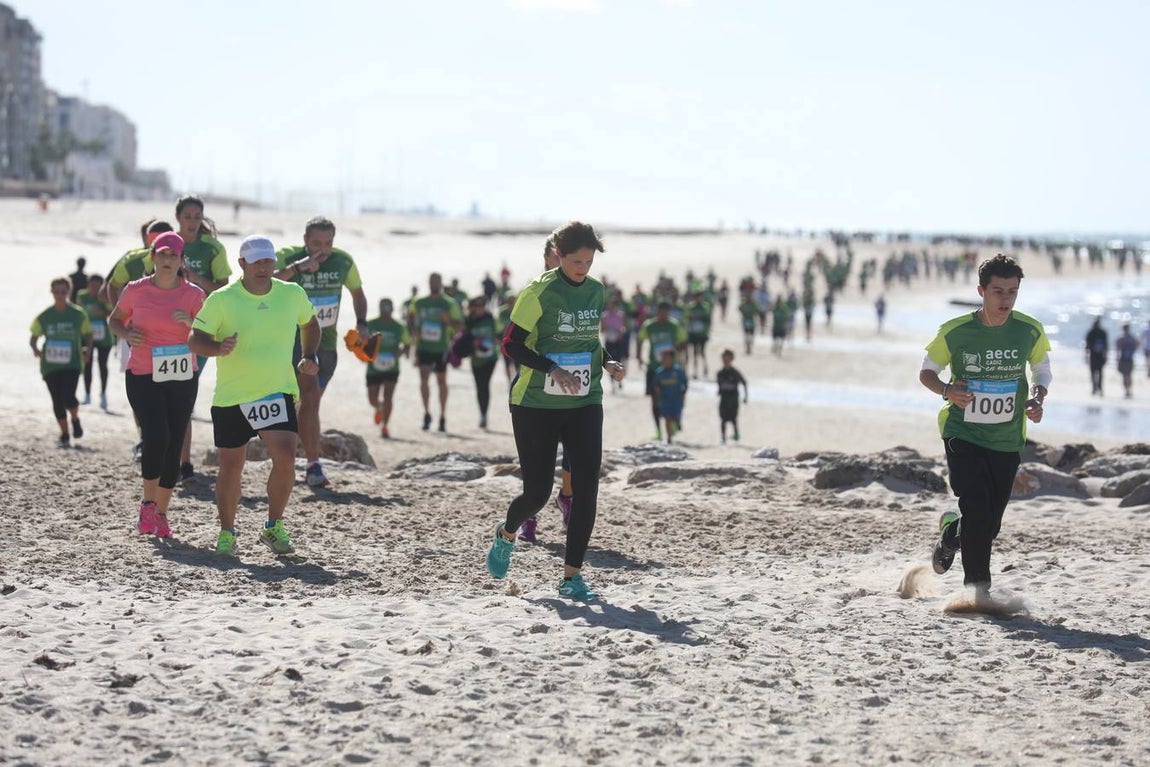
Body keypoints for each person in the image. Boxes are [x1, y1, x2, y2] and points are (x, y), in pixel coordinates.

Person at [485, 221, 626, 599]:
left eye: (589, 260)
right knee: (537, 493)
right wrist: (551, 368)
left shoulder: (595, 291)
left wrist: (609, 362)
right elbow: (511, 344)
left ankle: (572, 577)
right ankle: (506, 533)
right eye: (576, 261)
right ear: (558, 256)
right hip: (536, 404)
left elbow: (589, 340)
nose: (584, 268)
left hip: (584, 400)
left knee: (587, 489)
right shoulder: (539, 292)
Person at [919, 254, 1051, 599]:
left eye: (1012, 292)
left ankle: (951, 534)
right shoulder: (957, 331)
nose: (1005, 300)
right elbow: (927, 371)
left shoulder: (1028, 330)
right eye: (998, 292)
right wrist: (947, 390)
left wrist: (1038, 397)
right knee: (976, 506)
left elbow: (1041, 369)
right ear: (981, 290)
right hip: (963, 431)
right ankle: (978, 591)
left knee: (989, 525)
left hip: (1007, 437)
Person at [189, 235, 320, 557]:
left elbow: (310, 323)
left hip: (274, 391)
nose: (264, 267)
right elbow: (195, 339)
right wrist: (218, 348)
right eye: (257, 261)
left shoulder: (291, 294)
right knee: (232, 466)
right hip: (233, 395)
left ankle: (273, 526)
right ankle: (227, 533)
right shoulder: (222, 299)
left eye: (268, 261)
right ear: (242, 264)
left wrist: (310, 355)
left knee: (287, 457)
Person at [108, 232, 205, 539]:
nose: (167, 260)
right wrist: (126, 333)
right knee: (156, 435)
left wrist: (191, 324)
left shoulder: (193, 295)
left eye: (173, 256)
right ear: (152, 257)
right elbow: (114, 319)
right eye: (162, 254)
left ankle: (161, 514)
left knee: (175, 443)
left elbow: (208, 334)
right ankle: (148, 504)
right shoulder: (136, 290)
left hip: (182, 376)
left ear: (181, 261)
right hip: (143, 374)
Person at [273, 216, 368, 488]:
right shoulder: (288, 257)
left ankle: (292, 455)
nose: (322, 250)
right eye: (316, 243)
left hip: (327, 344)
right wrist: (298, 268)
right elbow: (266, 283)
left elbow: (358, 294)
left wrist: (361, 323)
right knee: (310, 399)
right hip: (291, 343)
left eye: (328, 243)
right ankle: (312, 466)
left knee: (305, 405)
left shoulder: (342, 261)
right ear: (305, 240)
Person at [174, 195, 231, 482]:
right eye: (188, 216)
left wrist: (194, 276)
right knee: (166, 391)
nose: (193, 221)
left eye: (197, 216)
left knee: (184, 389)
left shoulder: (212, 248)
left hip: (202, 329)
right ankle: (166, 454)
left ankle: (183, 463)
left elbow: (223, 290)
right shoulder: (167, 243)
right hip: (168, 327)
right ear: (178, 217)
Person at [31, 277, 92, 446]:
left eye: (63, 291)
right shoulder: (45, 316)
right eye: (56, 291)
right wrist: (35, 349)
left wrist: (88, 352)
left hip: (72, 363)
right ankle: (65, 434)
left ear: (68, 292)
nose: (60, 295)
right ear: (51, 292)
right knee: (57, 400)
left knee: (68, 395)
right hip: (50, 365)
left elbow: (88, 334)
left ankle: (75, 418)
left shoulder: (78, 314)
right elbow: (34, 337)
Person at [408, 272, 463, 432]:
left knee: (441, 382)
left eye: (437, 281)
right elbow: (410, 317)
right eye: (432, 281)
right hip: (423, 347)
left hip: (441, 348)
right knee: (424, 379)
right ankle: (426, 413)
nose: (434, 283)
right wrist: (413, 332)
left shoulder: (449, 303)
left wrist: (448, 321)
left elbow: (459, 327)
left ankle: (443, 416)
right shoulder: (419, 302)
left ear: (441, 283)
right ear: (428, 282)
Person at [636, 301, 687, 441]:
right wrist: (639, 355)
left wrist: (675, 352)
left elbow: (684, 342)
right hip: (654, 367)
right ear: (657, 312)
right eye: (660, 313)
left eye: (666, 313)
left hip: (672, 368)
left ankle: (674, 421)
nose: (663, 316)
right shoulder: (649, 325)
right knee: (655, 400)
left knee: (674, 397)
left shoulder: (674, 325)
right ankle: (658, 429)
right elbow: (640, 338)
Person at [364, 298, 410, 438]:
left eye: (388, 308)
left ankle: (385, 426)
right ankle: (378, 407)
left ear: (392, 309)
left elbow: (407, 344)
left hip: (392, 367)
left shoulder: (398, 327)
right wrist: (364, 354)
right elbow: (360, 343)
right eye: (383, 307)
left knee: (388, 396)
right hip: (373, 366)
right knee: (372, 398)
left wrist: (399, 353)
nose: (385, 311)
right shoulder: (371, 324)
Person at [77, 274, 113, 409]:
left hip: (103, 337)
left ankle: (103, 394)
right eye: (92, 285)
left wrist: (102, 311)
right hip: (87, 335)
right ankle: (87, 394)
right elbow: (79, 312)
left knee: (102, 366)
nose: (94, 288)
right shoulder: (82, 295)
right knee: (87, 364)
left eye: (97, 286)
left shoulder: (103, 296)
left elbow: (112, 313)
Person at [464, 296, 501, 429]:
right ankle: (482, 412)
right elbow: (463, 338)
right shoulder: (469, 321)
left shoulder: (491, 318)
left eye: (482, 306)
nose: (480, 309)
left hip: (490, 358)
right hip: (476, 359)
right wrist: (471, 343)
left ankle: (484, 415)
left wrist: (496, 340)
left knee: (485, 385)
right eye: (477, 307)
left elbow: (500, 333)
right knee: (479, 387)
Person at [654, 348, 688, 443]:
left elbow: (685, 383)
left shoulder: (678, 371)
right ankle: (669, 438)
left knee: (675, 416)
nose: (665, 360)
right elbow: (656, 386)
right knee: (667, 418)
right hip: (665, 400)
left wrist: (683, 394)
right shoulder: (659, 372)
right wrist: (658, 397)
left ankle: (677, 423)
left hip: (677, 399)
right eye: (663, 358)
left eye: (667, 358)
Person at [716, 348, 748, 443]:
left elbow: (744, 382)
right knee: (723, 418)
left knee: (733, 418)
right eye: (724, 359)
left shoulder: (735, 372)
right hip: (724, 397)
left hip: (733, 397)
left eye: (728, 359)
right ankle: (723, 437)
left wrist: (746, 396)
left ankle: (736, 434)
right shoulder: (720, 373)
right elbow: (719, 385)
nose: (726, 361)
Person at [684, 293, 712, 379]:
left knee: (702, 352)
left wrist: (707, 330)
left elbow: (708, 319)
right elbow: (687, 319)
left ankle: (705, 367)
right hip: (693, 333)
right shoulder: (690, 307)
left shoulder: (705, 307)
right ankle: (695, 370)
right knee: (694, 353)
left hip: (702, 333)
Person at [1084, 317, 1108, 396]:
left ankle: (1097, 388)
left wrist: (1086, 355)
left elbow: (1106, 346)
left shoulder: (1096, 332)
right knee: (1096, 373)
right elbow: (1087, 345)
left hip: (1097, 356)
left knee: (1097, 373)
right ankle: (1096, 388)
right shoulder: (1095, 332)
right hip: (1095, 356)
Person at [1115, 323, 1138, 399]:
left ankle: (1126, 390)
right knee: (1129, 375)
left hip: (1123, 358)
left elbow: (1117, 349)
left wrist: (1117, 359)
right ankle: (1128, 390)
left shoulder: (1121, 338)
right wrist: (1132, 351)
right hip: (1130, 358)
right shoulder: (1132, 338)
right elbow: (1137, 345)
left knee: (1125, 375)